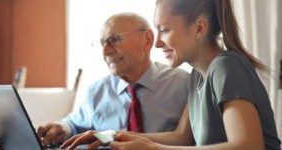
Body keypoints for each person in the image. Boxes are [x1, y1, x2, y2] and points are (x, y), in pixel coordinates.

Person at [60, 0, 282, 150]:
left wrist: (154, 149)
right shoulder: (197, 75)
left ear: (199, 28)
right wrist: (109, 135)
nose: (156, 43)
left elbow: (248, 145)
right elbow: (182, 137)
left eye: (165, 30)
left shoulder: (226, 67)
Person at [37, 12, 190, 147]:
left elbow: (189, 139)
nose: (105, 51)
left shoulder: (183, 84)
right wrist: (62, 128)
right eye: (103, 43)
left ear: (147, 40)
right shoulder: (96, 91)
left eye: (114, 40)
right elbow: (75, 124)